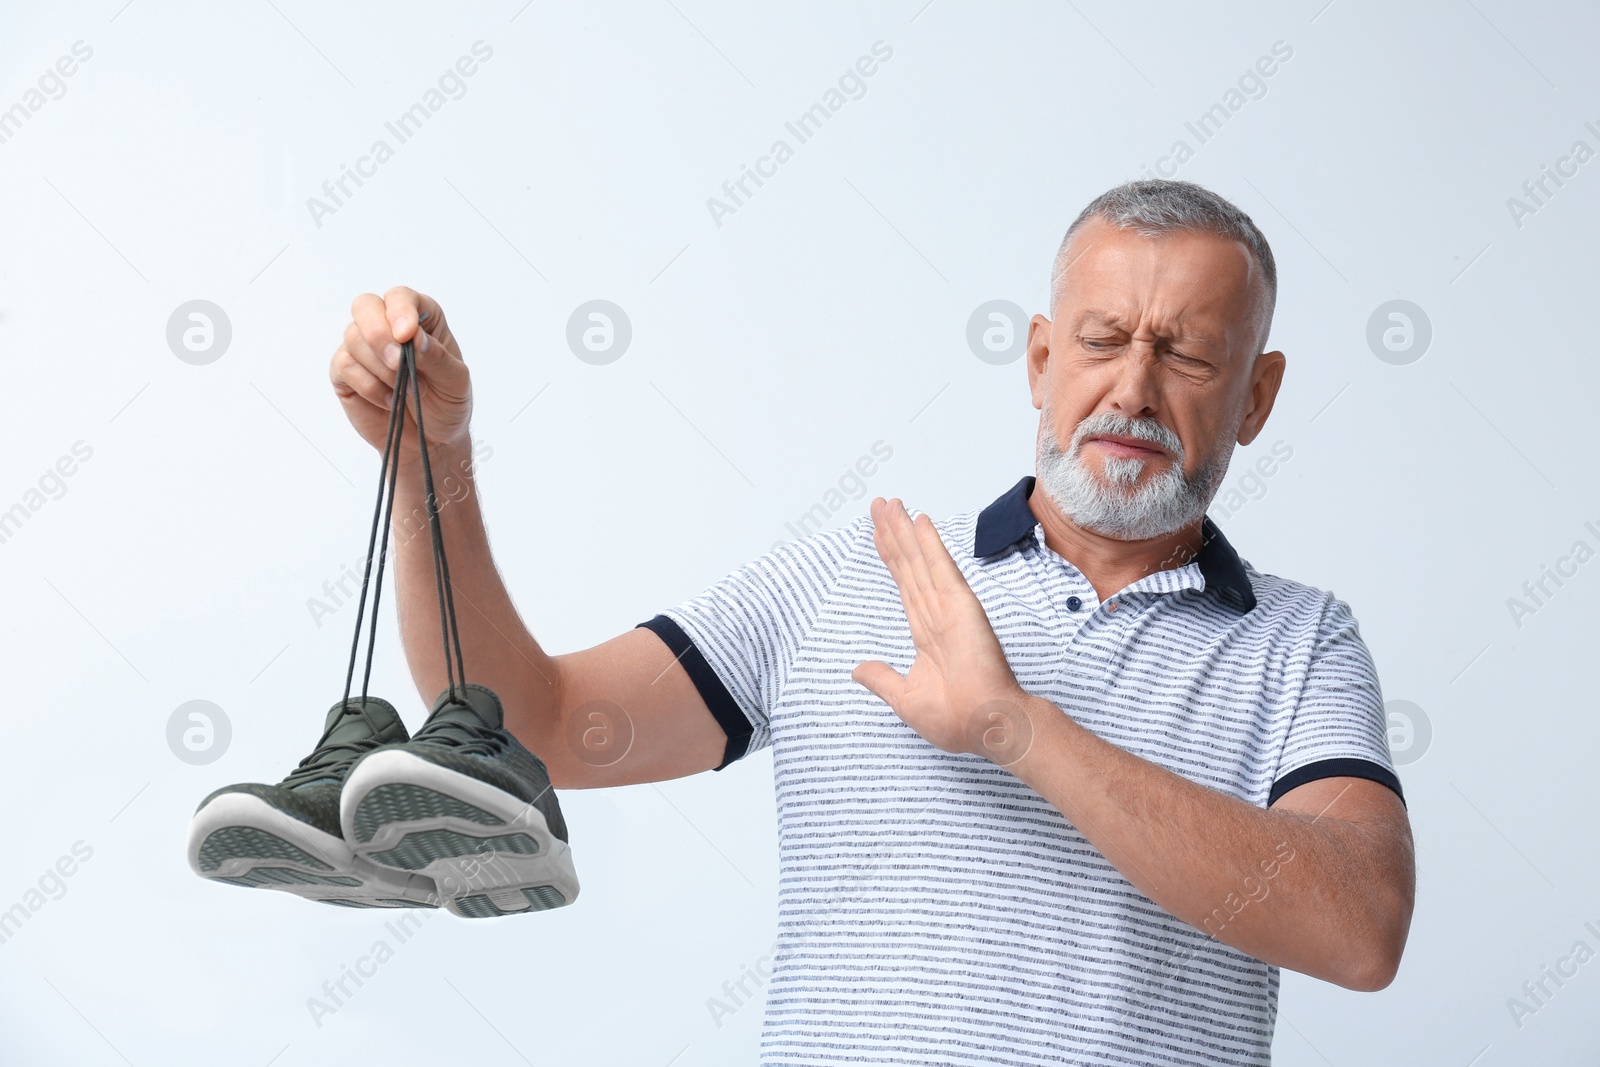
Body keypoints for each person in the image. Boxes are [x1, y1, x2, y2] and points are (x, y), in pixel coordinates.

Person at [198, 178, 1415, 1065]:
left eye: (1189, 355)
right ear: (1041, 358)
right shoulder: (849, 577)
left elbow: (1357, 928)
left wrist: (1015, 727)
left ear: (1255, 394)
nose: (1133, 388)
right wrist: (434, 462)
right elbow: (546, 724)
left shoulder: (1301, 645)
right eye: (1100, 340)